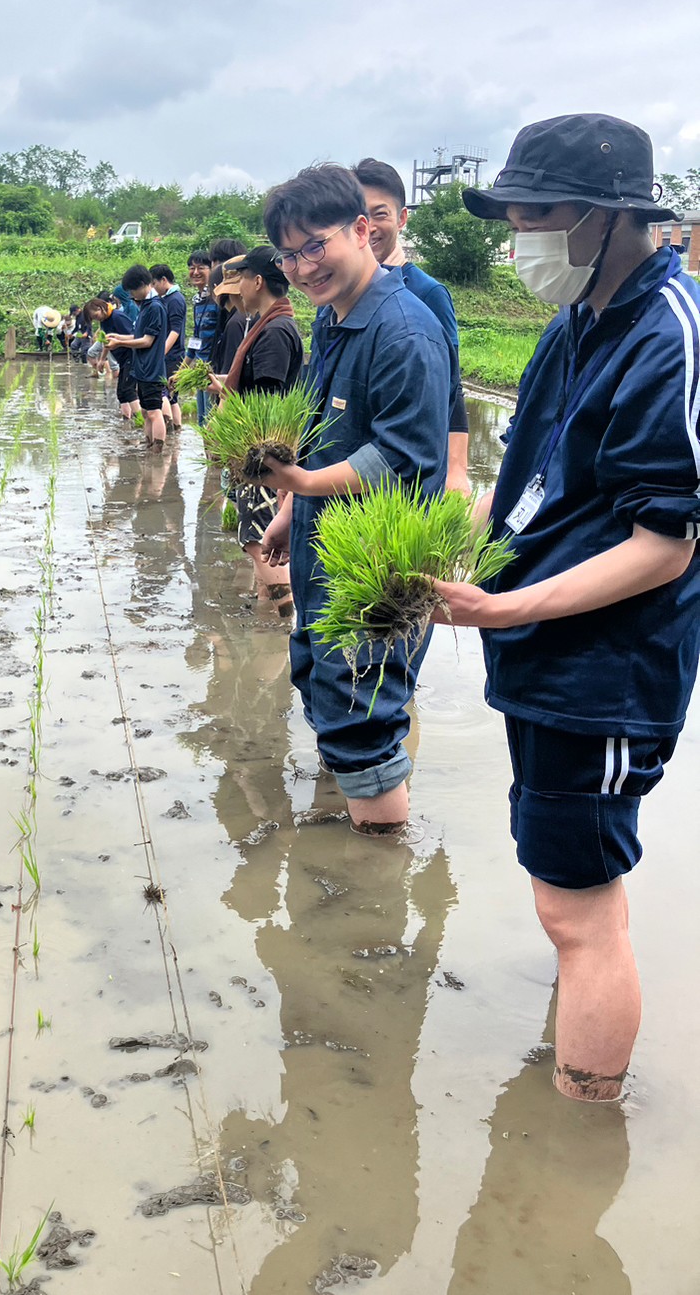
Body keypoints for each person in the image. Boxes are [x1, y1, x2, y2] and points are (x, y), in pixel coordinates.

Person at [433, 113, 700, 1102]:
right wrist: (466, 553)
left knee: (579, 914)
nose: (517, 240)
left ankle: (581, 1132)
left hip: (602, 666)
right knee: (567, 897)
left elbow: (664, 543)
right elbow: (532, 480)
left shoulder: (669, 338)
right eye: (509, 218)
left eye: (533, 214)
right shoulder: (576, 319)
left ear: (603, 216)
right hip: (544, 650)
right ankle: (578, 1066)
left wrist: (506, 610)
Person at [257, 164, 453, 834]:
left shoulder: (404, 329)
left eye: (316, 245)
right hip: (323, 546)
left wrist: (304, 484)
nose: (303, 266)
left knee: (363, 709)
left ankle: (372, 885)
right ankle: (353, 826)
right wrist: (290, 509)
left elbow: (402, 455)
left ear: (362, 229)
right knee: (322, 679)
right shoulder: (333, 319)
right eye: (288, 254)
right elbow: (321, 428)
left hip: (372, 563)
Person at [353, 157, 470, 495]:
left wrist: (457, 470)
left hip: (403, 470)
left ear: (402, 218)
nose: (370, 226)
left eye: (381, 214)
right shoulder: (336, 293)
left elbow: (452, 385)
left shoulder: (427, 293)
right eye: (360, 215)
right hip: (346, 467)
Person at [208, 245, 303, 615]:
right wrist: (221, 384)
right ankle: (268, 610)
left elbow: (267, 401)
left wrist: (227, 397)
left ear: (258, 281)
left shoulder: (275, 331)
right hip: (256, 456)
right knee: (256, 537)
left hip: (263, 458)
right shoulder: (267, 325)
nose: (238, 287)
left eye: (242, 278)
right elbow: (254, 390)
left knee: (259, 541)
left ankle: (281, 620)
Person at [106, 265, 167, 445]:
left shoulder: (155, 307)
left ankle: (158, 455)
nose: (132, 295)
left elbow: (148, 341)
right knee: (147, 412)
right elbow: (138, 336)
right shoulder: (145, 306)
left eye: (133, 290)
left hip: (152, 369)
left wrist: (120, 343)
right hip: (142, 368)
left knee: (155, 412)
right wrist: (118, 336)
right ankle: (149, 447)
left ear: (142, 284)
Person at [90, 294, 140, 419]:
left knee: (128, 390)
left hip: (131, 356)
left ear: (101, 308)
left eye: (96, 316)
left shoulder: (117, 317)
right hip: (122, 359)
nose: (97, 320)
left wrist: (118, 340)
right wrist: (102, 359)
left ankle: (141, 420)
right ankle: (126, 420)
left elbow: (135, 336)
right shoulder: (104, 321)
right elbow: (106, 341)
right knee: (121, 393)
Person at [151, 263, 186, 429]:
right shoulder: (166, 299)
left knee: (165, 393)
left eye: (154, 283)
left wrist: (160, 353)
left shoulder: (175, 299)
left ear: (164, 280)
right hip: (169, 354)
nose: (153, 288)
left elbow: (175, 330)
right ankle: (175, 434)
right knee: (171, 396)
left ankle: (171, 429)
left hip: (172, 355)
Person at [185, 250, 218, 424]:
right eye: (192, 268)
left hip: (213, 371)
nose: (195, 272)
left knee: (212, 423)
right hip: (200, 370)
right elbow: (195, 340)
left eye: (201, 268)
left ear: (212, 269)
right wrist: (182, 370)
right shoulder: (197, 301)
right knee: (202, 421)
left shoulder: (217, 299)